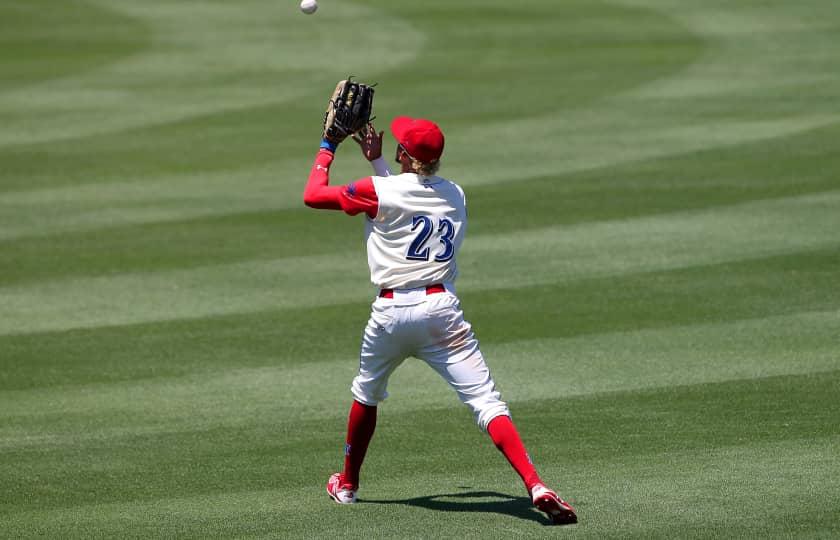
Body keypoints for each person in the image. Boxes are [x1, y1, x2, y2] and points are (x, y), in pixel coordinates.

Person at [302, 116, 577, 525]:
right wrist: (381, 163)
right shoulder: (455, 195)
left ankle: (347, 486)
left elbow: (313, 195)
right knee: (486, 402)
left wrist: (328, 144)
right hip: (441, 313)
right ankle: (536, 484)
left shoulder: (375, 191)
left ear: (403, 156)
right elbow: (408, 201)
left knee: (367, 394)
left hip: (391, 315)